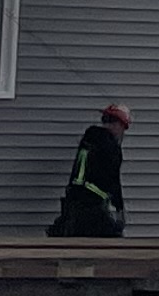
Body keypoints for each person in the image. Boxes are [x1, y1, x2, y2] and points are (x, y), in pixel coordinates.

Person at [48, 101, 130, 238]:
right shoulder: (110, 146)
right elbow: (114, 181)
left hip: (73, 202)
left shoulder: (89, 139)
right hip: (93, 207)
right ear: (119, 125)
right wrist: (119, 208)